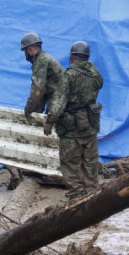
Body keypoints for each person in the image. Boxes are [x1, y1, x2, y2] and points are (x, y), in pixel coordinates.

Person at [45, 41, 103, 199]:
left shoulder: (69, 75)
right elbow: (99, 85)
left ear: (72, 57)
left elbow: (58, 101)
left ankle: (76, 196)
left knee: (70, 163)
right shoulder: (96, 74)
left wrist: (50, 121)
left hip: (71, 129)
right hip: (90, 126)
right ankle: (93, 194)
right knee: (90, 162)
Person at [21, 32, 67, 119]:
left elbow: (38, 89)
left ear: (30, 49)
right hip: (59, 96)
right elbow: (43, 89)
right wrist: (34, 110)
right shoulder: (44, 58)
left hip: (60, 99)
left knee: (51, 124)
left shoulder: (41, 61)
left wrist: (28, 110)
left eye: (25, 51)